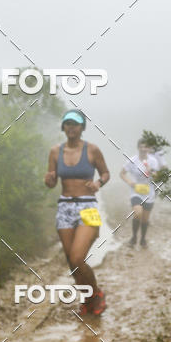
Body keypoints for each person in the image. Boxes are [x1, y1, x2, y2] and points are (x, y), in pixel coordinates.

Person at [44, 109, 110, 316]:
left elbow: (106, 173)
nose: (71, 127)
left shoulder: (92, 150)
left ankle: (96, 295)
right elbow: (51, 180)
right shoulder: (55, 151)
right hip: (65, 207)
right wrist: (49, 180)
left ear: (82, 128)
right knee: (71, 263)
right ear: (63, 127)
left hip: (88, 206)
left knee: (78, 257)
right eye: (68, 123)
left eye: (75, 124)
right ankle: (87, 298)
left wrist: (98, 182)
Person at [119, 138, 165, 247]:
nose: (144, 149)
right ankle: (134, 237)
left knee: (145, 218)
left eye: (146, 147)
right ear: (138, 147)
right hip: (136, 191)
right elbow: (122, 174)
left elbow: (158, 177)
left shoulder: (153, 161)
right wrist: (129, 182)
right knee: (137, 212)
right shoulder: (132, 160)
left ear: (149, 149)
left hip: (149, 192)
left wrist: (151, 171)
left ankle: (143, 239)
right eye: (142, 146)